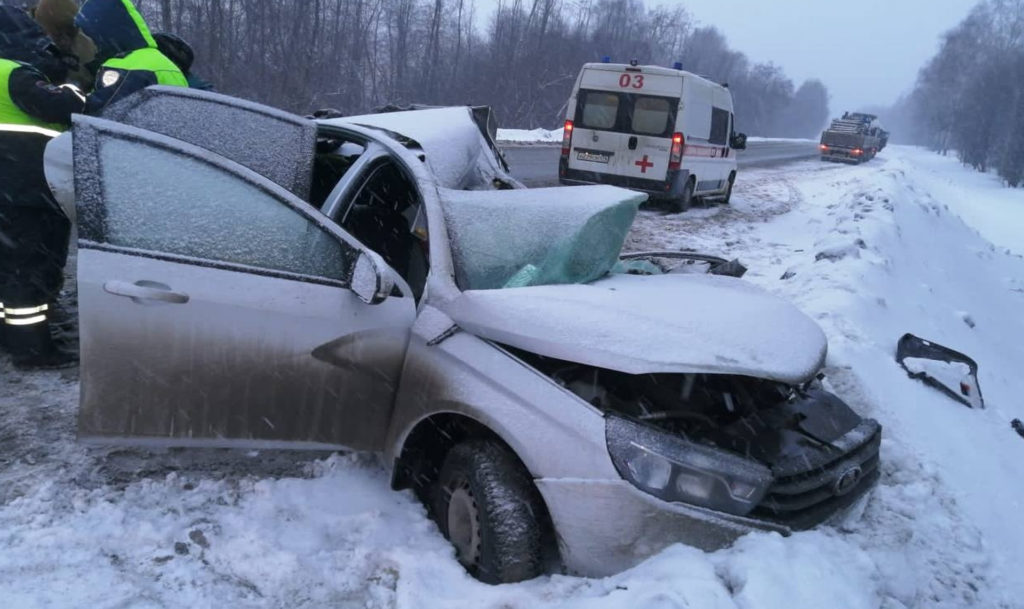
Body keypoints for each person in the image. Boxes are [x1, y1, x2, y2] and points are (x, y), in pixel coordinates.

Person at [0, 1, 90, 369]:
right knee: (29, 270)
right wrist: (73, 81)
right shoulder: (13, 73)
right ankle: (32, 349)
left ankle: (13, 338)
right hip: (25, 189)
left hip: (16, 189)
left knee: (11, 268)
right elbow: (64, 105)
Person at [74, 0, 187, 114]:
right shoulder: (157, 61)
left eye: (90, 36)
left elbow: (101, 115)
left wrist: (71, 104)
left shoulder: (128, 65)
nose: (91, 43)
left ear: (104, 33)